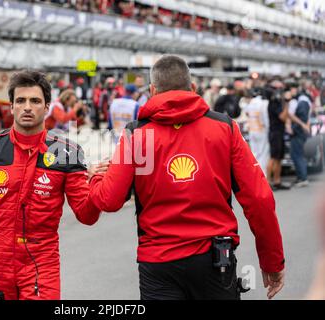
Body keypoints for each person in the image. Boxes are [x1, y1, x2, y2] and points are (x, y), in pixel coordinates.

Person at [88, 55, 285, 300]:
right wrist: (272, 261)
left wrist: (95, 179)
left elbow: (109, 199)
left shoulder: (136, 135)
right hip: (215, 260)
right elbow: (259, 199)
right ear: (193, 88)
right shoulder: (225, 128)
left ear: (152, 91)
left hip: (159, 264)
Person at [0, 70, 105, 300]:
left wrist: (97, 182)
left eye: (35, 101)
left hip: (42, 266)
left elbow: (87, 215)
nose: (27, 107)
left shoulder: (67, 153)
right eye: (20, 100)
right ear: (11, 106)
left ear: (47, 106)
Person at [266, 83, 290, 190]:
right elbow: (283, 117)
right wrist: (287, 103)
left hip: (279, 132)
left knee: (279, 158)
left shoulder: (277, 102)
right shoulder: (274, 103)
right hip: (275, 133)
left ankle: (277, 181)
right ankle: (268, 182)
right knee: (273, 157)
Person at [288, 83, 312, 187]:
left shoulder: (301, 102)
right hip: (300, 131)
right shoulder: (304, 100)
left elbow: (302, 117)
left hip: (298, 132)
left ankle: (303, 178)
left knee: (297, 155)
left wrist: (294, 128)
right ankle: (300, 177)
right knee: (295, 155)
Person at [243, 88, 270, 176]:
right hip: (261, 130)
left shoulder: (250, 104)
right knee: (263, 153)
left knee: (254, 153)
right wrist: (267, 128)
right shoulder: (263, 103)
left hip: (252, 131)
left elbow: (246, 113)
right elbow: (265, 118)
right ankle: (263, 175)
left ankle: (254, 173)